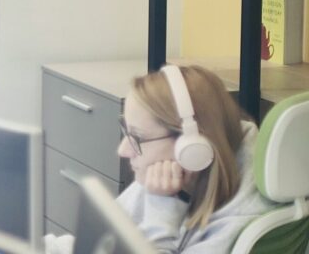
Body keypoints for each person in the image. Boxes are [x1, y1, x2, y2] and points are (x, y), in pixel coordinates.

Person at [45, 65, 277, 254]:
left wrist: (162, 210)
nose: (123, 151)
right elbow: (102, 242)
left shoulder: (235, 227)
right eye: (126, 133)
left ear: (192, 147)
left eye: (137, 137)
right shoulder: (166, 178)